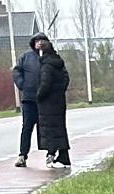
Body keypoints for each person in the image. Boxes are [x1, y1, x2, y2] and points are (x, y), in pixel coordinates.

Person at [34, 37, 71, 169]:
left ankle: (51, 154)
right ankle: (64, 156)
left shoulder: (46, 66)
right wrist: (59, 91)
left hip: (48, 104)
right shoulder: (59, 63)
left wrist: (38, 96)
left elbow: (45, 84)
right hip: (59, 101)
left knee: (49, 129)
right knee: (60, 128)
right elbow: (66, 79)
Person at [10, 34, 45, 168]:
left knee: (47, 128)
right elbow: (16, 71)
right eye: (37, 41)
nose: (39, 43)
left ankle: (51, 154)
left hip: (45, 100)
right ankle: (22, 155)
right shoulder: (26, 57)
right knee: (27, 128)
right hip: (29, 99)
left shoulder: (49, 57)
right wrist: (22, 84)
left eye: (42, 41)